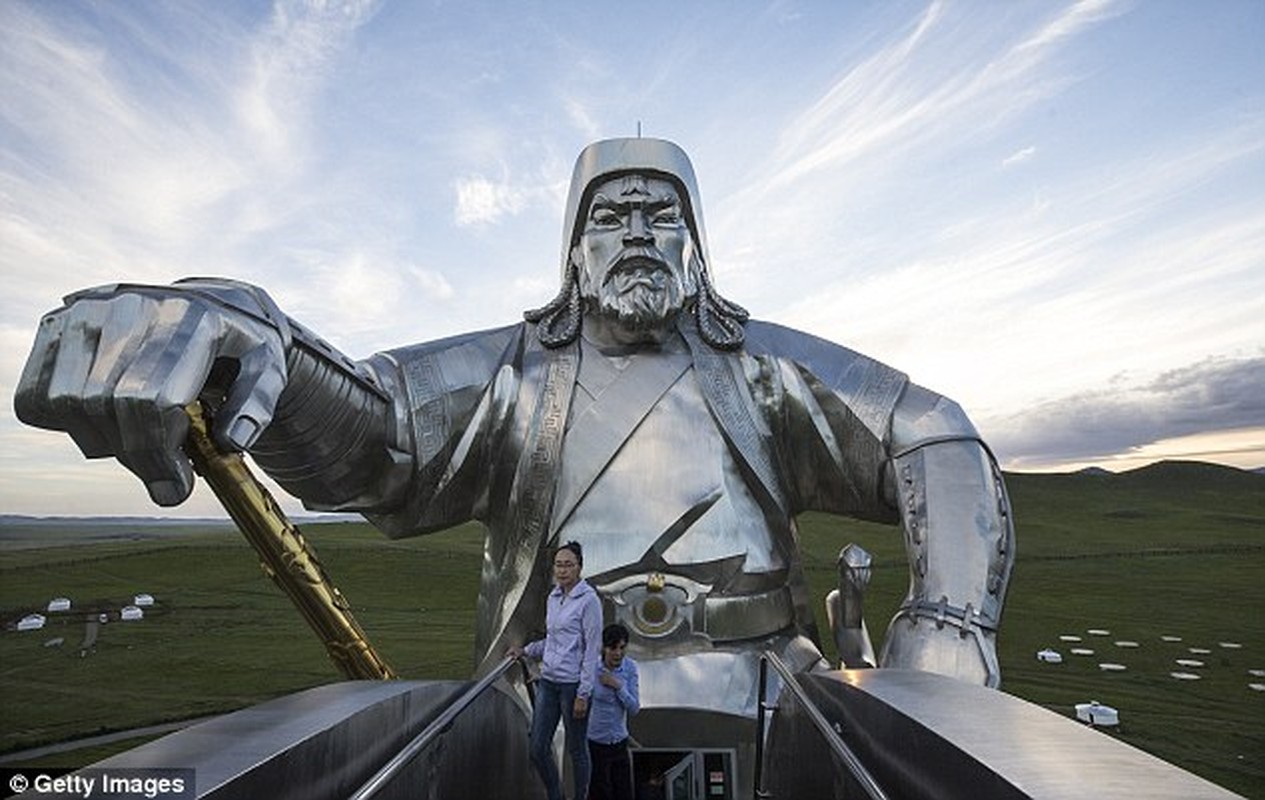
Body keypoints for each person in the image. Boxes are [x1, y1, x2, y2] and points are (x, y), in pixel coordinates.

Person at [14, 138, 1015, 734]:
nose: (634, 229)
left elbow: (930, 432)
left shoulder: (762, 368)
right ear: (571, 251)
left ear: (698, 248)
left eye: (660, 214)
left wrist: (951, 618)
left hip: (777, 703)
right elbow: (372, 436)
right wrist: (259, 348)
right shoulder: (512, 373)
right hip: (546, 712)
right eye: (609, 213)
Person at [510, 541, 602, 800]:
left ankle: (581, 796)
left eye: (568, 565)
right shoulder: (554, 596)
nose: (562, 571)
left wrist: (584, 693)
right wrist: (526, 650)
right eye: (559, 565)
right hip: (549, 682)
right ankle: (556, 794)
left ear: (579, 568)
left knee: (576, 749)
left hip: (573, 686)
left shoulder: (588, 601)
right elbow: (554, 640)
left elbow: (591, 650)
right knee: (538, 747)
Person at [587, 623, 639, 800]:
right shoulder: (592, 667)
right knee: (599, 792)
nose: (618, 653)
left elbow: (634, 708)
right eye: (613, 648)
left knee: (623, 792)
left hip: (618, 741)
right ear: (604, 648)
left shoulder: (630, 668)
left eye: (622, 648)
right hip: (596, 742)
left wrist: (618, 686)